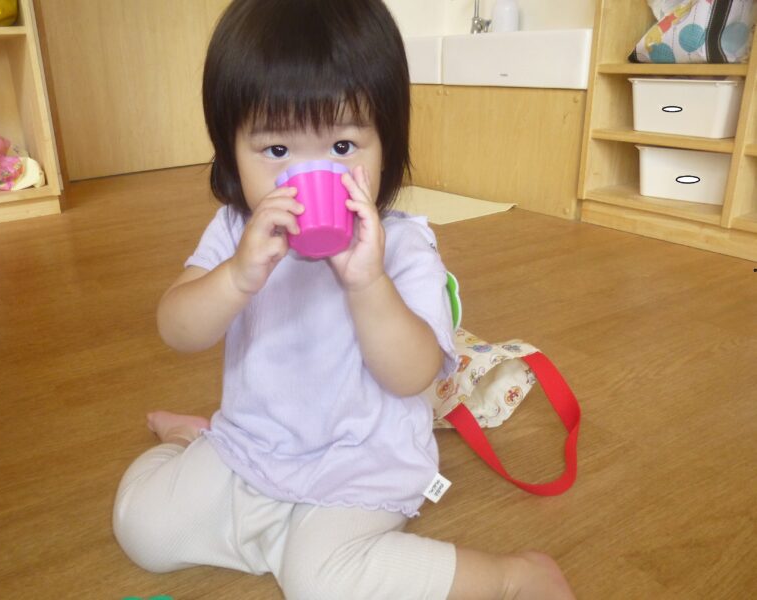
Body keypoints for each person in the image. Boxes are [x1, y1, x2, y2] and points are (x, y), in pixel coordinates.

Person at [112, 1, 575, 598]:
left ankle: (513, 577)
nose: (310, 179)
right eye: (276, 151)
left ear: (388, 142)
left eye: (341, 146)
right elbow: (177, 329)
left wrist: (368, 284)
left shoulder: (402, 246)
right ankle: (188, 441)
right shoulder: (237, 232)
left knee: (320, 584)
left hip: (364, 468)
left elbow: (412, 375)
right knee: (145, 529)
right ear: (230, 151)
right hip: (253, 449)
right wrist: (236, 277)